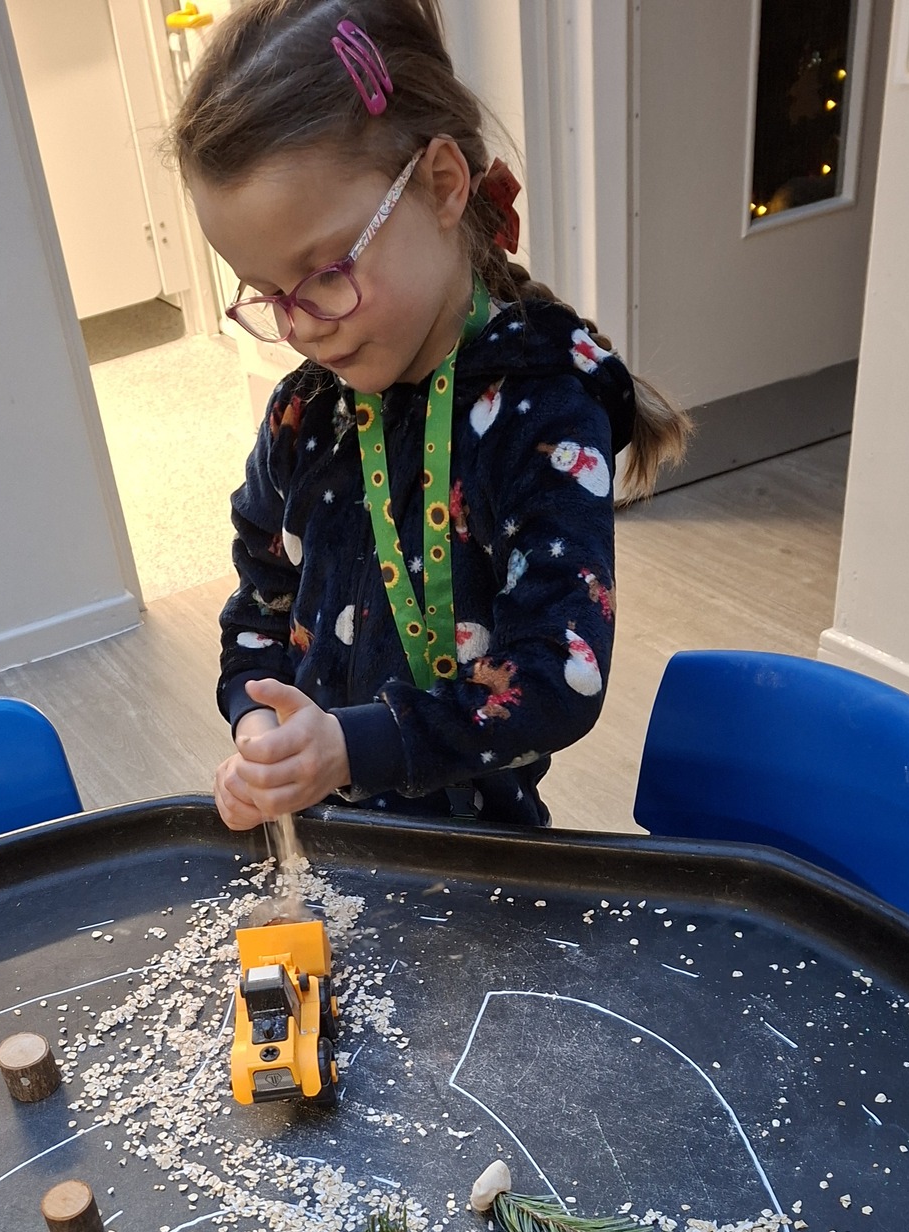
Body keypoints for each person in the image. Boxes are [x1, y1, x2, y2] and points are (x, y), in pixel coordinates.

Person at [169, 0, 689, 833]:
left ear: (444, 186)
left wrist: (351, 747)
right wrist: (261, 729)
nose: (300, 327)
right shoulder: (304, 413)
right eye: (267, 293)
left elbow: (558, 676)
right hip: (331, 836)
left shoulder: (542, 416)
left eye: (325, 273)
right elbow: (259, 605)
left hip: (482, 860)